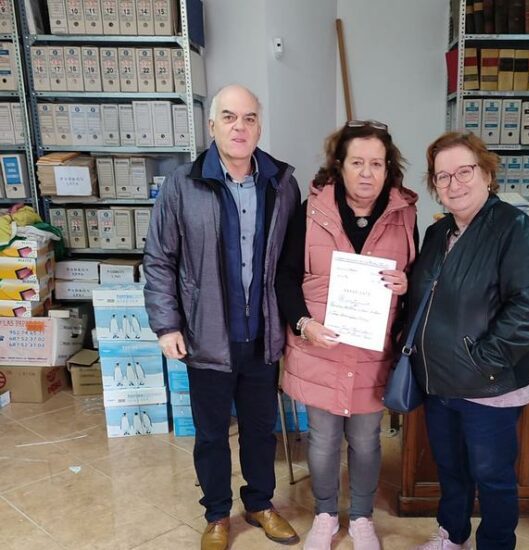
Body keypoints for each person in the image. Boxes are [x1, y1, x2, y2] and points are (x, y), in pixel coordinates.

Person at [143, 85, 301, 550]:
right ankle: (216, 514)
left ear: (259, 125)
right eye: (229, 117)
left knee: (260, 428)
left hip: (262, 335)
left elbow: (292, 261)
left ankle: (259, 503)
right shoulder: (182, 184)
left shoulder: (281, 183)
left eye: (249, 118)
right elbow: (159, 259)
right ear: (211, 126)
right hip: (205, 333)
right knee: (211, 434)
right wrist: (167, 323)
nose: (240, 126)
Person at [276, 120, 418, 550]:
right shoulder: (311, 211)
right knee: (322, 439)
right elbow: (285, 278)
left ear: (388, 168)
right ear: (339, 165)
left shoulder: (404, 215)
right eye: (357, 162)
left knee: (366, 440)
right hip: (322, 348)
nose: (367, 173)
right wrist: (305, 325)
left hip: (373, 353)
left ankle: (360, 518)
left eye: (377, 163)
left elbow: (417, 275)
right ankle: (323, 515)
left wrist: (406, 284)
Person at [409, 132, 529, 550]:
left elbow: (528, 309)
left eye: (464, 171)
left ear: (487, 173)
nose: (455, 184)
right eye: (443, 176)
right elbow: (427, 298)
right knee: (450, 469)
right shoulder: (437, 235)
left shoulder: (514, 226)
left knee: (493, 476)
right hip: (440, 383)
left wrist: (482, 362)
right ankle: (452, 535)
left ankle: (495, 543)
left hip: (490, 385)